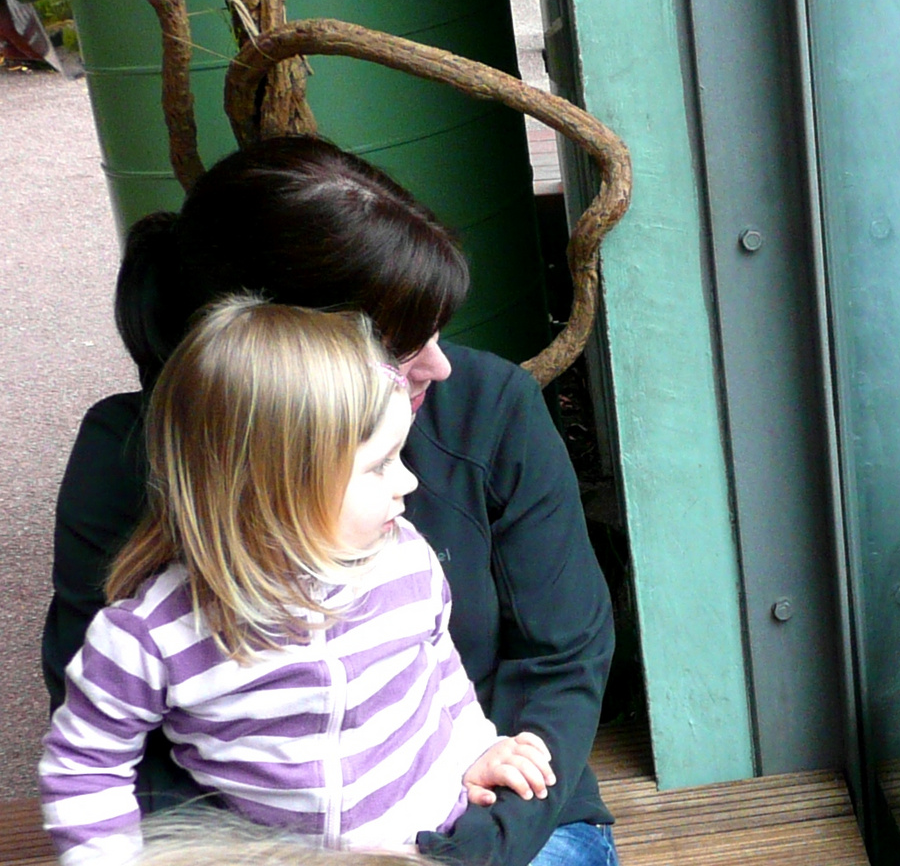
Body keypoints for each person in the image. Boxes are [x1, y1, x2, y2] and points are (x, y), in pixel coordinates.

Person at [43, 136, 617, 866]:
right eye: (400, 340)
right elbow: (104, 741)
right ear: (270, 357)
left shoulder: (485, 408)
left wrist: (465, 842)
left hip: (492, 820)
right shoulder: (129, 459)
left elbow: (563, 658)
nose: (439, 364)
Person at [42, 298, 559, 864]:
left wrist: (475, 748)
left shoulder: (406, 563)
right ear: (274, 485)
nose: (408, 481)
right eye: (379, 464)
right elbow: (86, 763)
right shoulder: (153, 636)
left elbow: (438, 664)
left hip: (437, 841)